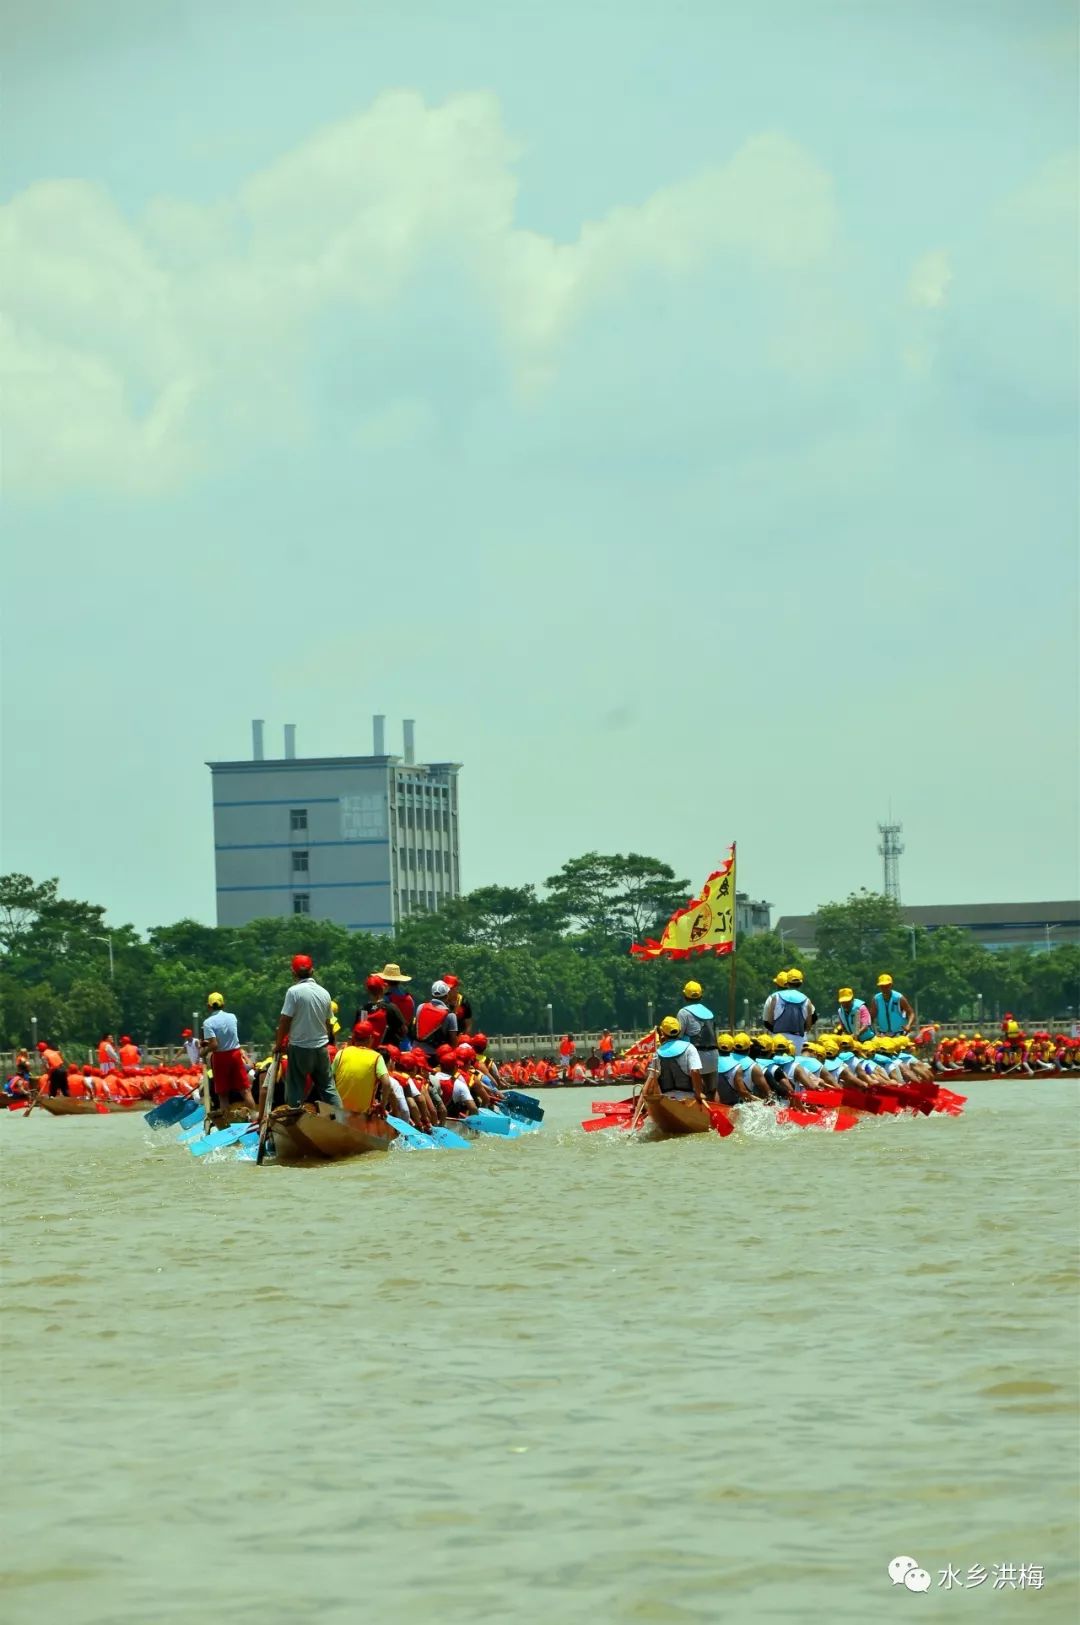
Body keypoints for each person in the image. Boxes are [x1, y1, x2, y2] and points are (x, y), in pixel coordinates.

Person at [276, 954, 340, 1108]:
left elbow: (285, 1020)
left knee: (296, 1087)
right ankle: (341, 1117)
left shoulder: (293, 992)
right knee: (328, 1087)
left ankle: (294, 1120)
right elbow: (329, 1023)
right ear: (312, 971)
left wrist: (278, 1044)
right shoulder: (324, 993)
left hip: (299, 1048)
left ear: (293, 973)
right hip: (321, 1048)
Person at [203, 992, 256, 1112]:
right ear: (223, 1005)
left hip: (220, 1058)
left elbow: (214, 1044)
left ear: (209, 1006)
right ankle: (254, 1119)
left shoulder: (208, 1022)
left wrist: (203, 1052)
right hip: (235, 1055)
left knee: (223, 1094)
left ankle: (226, 1124)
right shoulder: (232, 1017)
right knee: (245, 1090)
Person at [332, 1021, 390, 1117]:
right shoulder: (377, 1057)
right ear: (370, 1038)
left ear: (354, 1038)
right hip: (360, 1115)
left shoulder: (341, 1053)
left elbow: (330, 1078)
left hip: (338, 1110)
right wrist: (382, 1105)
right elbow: (387, 1083)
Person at [644, 1016, 706, 1105]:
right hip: (688, 1098)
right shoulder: (690, 1048)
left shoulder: (657, 1053)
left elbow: (652, 1080)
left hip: (666, 1099)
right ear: (680, 1031)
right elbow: (695, 1071)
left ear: (663, 1033)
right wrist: (699, 1093)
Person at [677, 980, 721, 1100]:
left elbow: (678, 1036)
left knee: (695, 1089)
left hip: (696, 1055)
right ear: (701, 996)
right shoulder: (709, 1012)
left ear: (685, 996)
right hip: (714, 1055)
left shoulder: (683, 1012)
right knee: (712, 1090)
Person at [762, 968, 815, 1053]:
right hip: (799, 1042)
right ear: (801, 983)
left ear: (787, 983)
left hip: (778, 1040)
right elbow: (808, 1026)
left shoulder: (774, 997)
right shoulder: (806, 1000)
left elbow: (769, 1021)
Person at [414, 981, 459, 1059]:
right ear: (447, 996)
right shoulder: (451, 1015)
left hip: (415, 1051)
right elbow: (453, 1041)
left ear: (432, 995)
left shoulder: (420, 1007)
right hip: (435, 1056)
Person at [376, 962, 415, 1031]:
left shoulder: (385, 999)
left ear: (384, 981)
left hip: (390, 1038)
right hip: (406, 1038)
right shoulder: (410, 999)